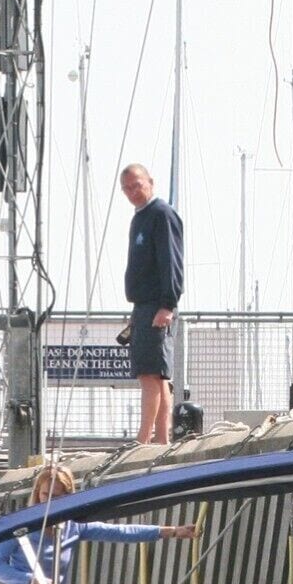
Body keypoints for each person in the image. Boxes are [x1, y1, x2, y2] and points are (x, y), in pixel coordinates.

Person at [0, 462, 198, 584]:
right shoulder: (21, 527)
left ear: (68, 497)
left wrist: (170, 531)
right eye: (44, 495)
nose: (47, 502)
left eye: (55, 497)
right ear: (37, 493)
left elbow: (118, 532)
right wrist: (29, 580)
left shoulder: (73, 527)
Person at [120, 164, 183, 445]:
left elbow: (172, 260)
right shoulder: (139, 218)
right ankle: (160, 439)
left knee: (150, 373)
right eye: (127, 188)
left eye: (137, 185)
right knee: (157, 376)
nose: (133, 192)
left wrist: (168, 304)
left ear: (150, 182)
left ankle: (143, 439)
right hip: (143, 305)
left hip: (157, 304)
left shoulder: (161, 214)